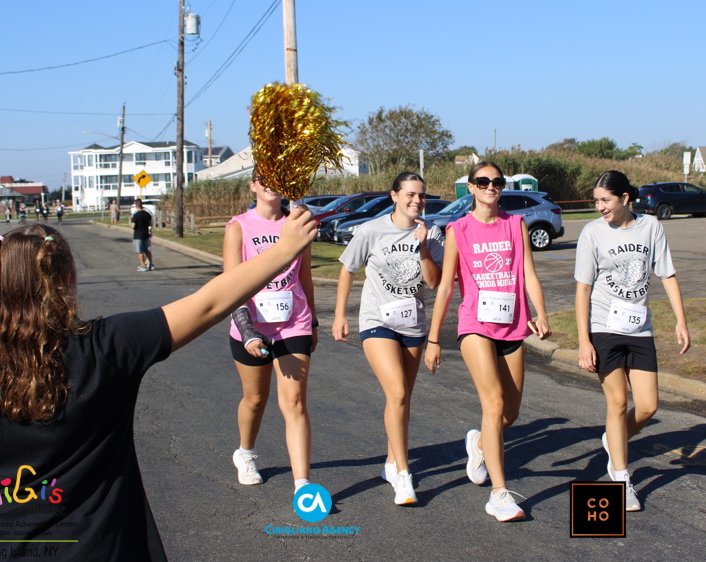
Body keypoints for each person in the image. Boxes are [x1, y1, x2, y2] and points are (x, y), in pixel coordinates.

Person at [0, 214, 317, 561]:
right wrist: (284, 251)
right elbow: (209, 303)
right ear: (67, 278)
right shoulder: (107, 346)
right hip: (102, 548)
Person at [425, 161, 551, 522]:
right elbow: (445, 286)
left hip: (512, 325)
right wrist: (433, 339)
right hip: (475, 326)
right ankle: (499, 494)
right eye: (482, 181)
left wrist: (541, 313)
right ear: (471, 187)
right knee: (494, 404)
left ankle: (479, 443)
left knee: (510, 413)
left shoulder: (516, 224)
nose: (490, 186)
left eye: (496, 181)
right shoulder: (458, 229)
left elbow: (528, 274)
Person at [574, 170, 691, 512]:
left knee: (648, 405)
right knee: (617, 403)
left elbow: (667, 274)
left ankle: (614, 439)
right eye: (596, 201)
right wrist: (584, 340)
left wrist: (681, 320)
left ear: (625, 198)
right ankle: (622, 479)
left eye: (605, 200)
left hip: (640, 329)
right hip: (604, 327)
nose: (600, 207)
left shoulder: (651, 226)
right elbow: (582, 289)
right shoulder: (592, 232)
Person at [332, 172, 444, 506]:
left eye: (421, 195)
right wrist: (340, 315)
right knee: (396, 392)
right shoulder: (371, 230)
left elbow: (434, 282)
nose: (417, 201)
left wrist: (423, 246)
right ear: (394, 196)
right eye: (410, 194)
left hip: (412, 325)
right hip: (376, 321)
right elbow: (348, 269)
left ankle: (391, 462)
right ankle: (404, 475)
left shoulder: (432, 233)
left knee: (402, 398)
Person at [224, 175, 318, 492]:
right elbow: (231, 286)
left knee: (294, 402)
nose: (270, 184)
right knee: (255, 399)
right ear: (252, 185)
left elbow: (305, 277)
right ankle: (246, 452)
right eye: (262, 178)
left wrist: (313, 322)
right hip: (251, 326)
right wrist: (247, 331)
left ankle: (303, 485)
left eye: (276, 177)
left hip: (293, 322)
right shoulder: (238, 227)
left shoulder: (297, 223)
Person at [130, 199, 155, 272]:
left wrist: (131, 223)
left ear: (136, 206)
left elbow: (133, 226)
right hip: (146, 234)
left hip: (138, 235)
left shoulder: (136, 215)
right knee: (147, 250)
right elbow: (150, 224)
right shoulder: (147, 214)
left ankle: (143, 265)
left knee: (140, 251)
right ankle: (150, 264)